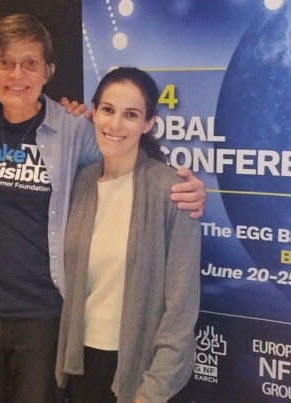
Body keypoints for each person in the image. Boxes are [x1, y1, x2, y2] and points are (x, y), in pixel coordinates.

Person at [0, 14, 205, 403]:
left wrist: (190, 188)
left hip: (45, 315)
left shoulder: (74, 130)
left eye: (30, 62)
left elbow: (125, 149)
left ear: (49, 70)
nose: (17, 74)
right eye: (5, 62)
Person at [55, 67, 201, 403]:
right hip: (84, 366)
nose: (115, 124)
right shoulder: (79, 184)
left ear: (148, 123)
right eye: (107, 110)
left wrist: (152, 391)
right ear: (94, 112)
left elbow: (181, 310)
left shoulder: (173, 192)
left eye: (131, 114)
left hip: (141, 373)